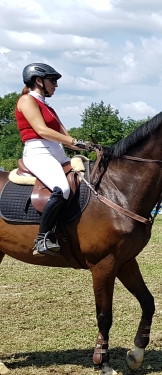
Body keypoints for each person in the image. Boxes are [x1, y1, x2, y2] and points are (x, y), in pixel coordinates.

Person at [15, 63, 91, 256]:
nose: (56, 85)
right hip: (38, 151)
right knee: (62, 188)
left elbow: (66, 138)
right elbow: (41, 130)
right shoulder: (26, 100)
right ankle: (42, 239)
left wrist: (93, 147)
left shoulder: (49, 108)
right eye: (53, 80)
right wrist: (74, 141)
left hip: (56, 151)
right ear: (38, 81)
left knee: (86, 178)